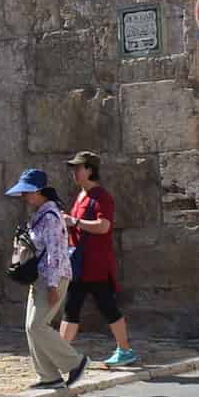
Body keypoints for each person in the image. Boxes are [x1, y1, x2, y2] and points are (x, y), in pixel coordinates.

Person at [59, 151, 141, 369]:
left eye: (78, 168)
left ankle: (124, 350)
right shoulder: (80, 196)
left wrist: (74, 221)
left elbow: (104, 226)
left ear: (90, 170)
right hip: (79, 264)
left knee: (107, 307)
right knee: (72, 307)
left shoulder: (101, 196)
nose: (74, 172)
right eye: (74, 168)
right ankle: (60, 353)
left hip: (96, 264)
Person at [7, 168, 86, 389]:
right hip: (42, 278)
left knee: (37, 325)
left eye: (27, 192)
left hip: (53, 277)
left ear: (39, 191)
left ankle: (75, 362)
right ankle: (49, 376)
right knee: (31, 327)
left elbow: (55, 253)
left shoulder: (50, 217)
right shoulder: (42, 214)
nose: (24, 196)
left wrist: (52, 286)